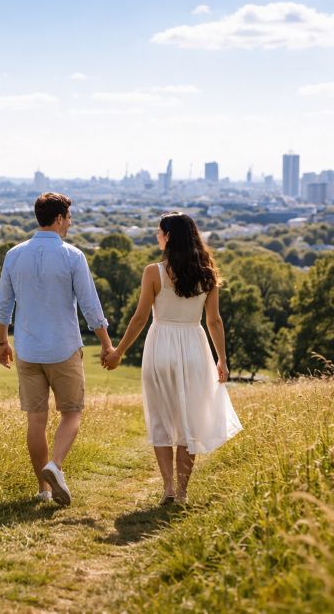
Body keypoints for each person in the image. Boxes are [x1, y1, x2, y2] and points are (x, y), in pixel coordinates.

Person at [103, 212, 242, 505]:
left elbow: (140, 317)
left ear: (169, 237)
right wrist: (222, 359)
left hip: (161, 346)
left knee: (161, 420)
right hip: (194, 346)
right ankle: (181, 491)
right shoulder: (207, 273)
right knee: (188, 421)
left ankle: (167, 488)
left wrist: (119, 352)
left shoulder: (153, 272)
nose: (156, 236)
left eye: (159, 232)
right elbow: (214, 321)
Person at [0, 192, 114, 507]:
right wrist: (106, 344)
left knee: (36, 420)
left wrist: (2, 342)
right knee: (72, 413)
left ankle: (43, 490)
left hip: (28, 349)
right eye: (69, 218)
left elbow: (3, 305)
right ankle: (55, 465)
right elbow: (90, 305)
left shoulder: (14, 255)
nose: (70, 224)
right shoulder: (73, 256)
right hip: (63, 347)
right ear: (59, 219)